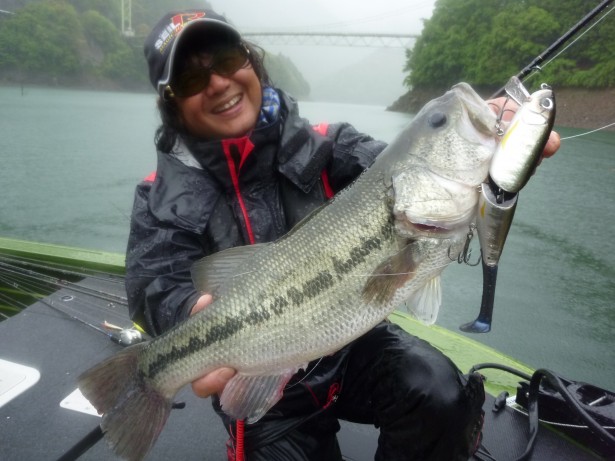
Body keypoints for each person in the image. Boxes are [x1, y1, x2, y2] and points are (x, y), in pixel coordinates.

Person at [127, 9, 561, 461]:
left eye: (226, 57)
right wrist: (187, 311)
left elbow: (400, 166)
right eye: (193, 79)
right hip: (265, 377)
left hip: (350, 351)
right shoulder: (158, 197)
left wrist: (501, 154)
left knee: (438, 391)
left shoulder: (330, 145)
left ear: (251, 62)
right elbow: (152, 284)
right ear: (172, 102)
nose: (218, 82)